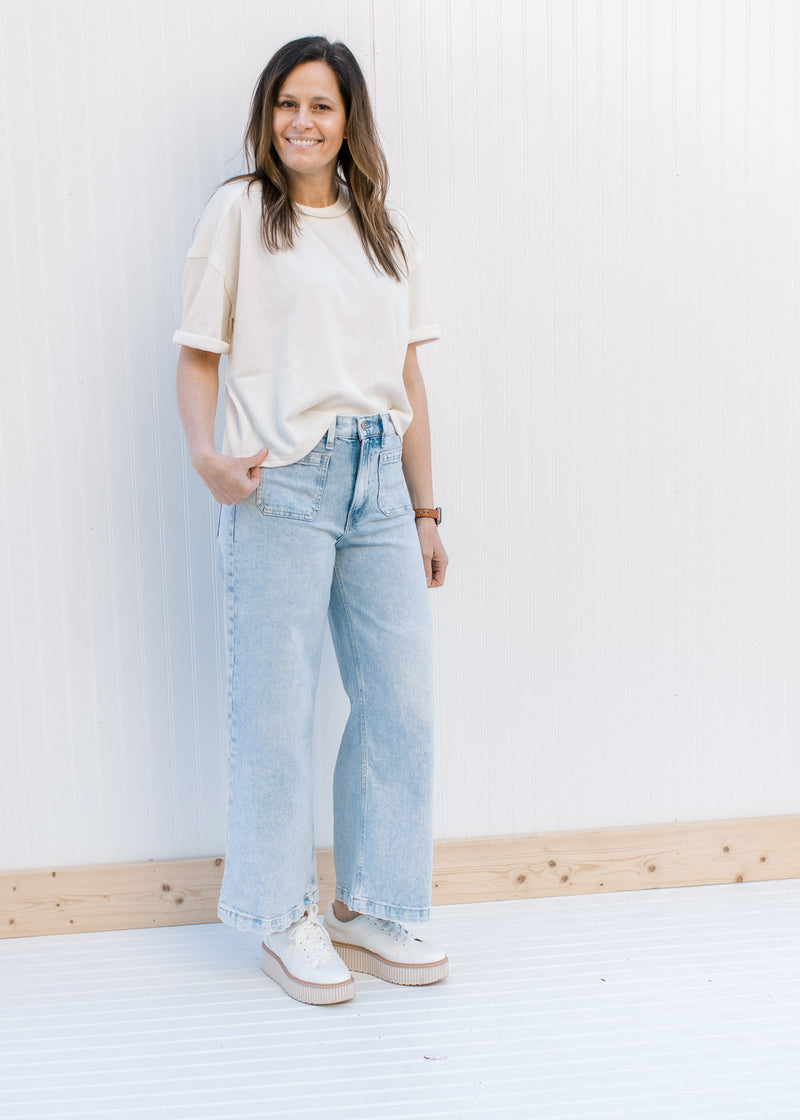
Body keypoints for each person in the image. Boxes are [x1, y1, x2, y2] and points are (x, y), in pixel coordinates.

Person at [174, 35, 448, 1006]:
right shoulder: (242, 212)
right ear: (267, 114)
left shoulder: (381, 226)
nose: (301, 121)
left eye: (321, 105)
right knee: (276, 710)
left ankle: (374, 901)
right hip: (278, 481)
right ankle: (280, 911)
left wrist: (424, 507)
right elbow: (199, 354)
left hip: (378, 479)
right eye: (286, 102)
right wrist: (209, 458)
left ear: (348, 120)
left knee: (401, 700)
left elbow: (406, 372)